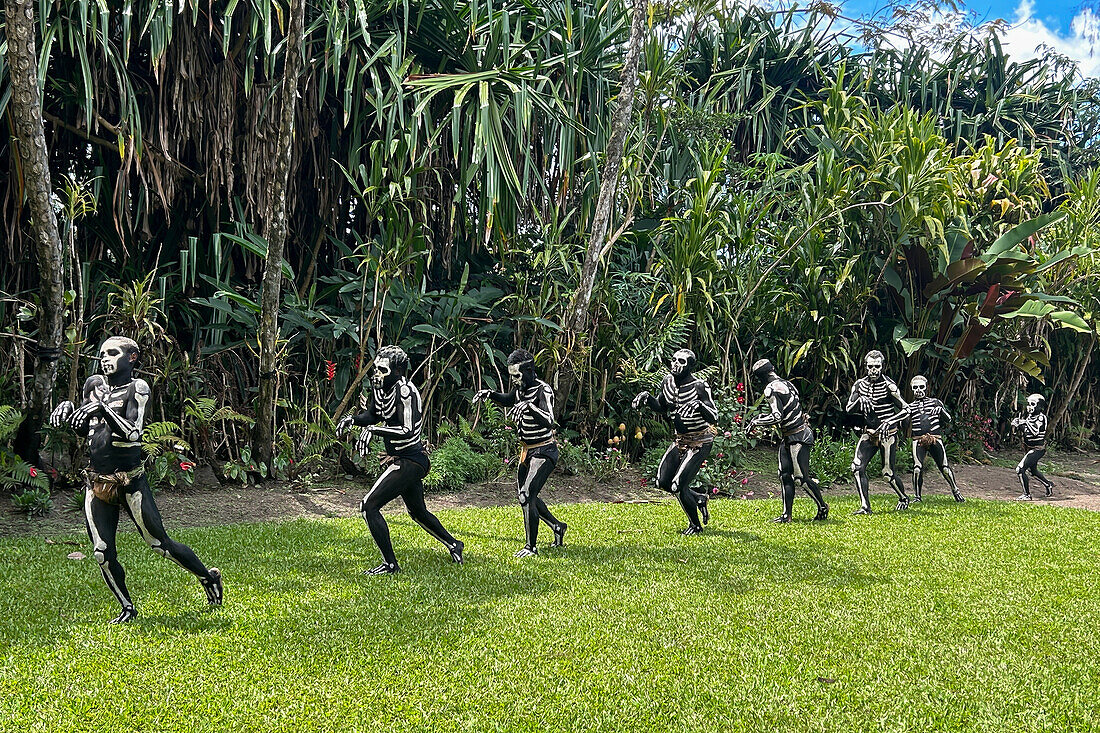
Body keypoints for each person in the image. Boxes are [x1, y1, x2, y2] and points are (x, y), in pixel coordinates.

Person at [49, 336, 222, 623]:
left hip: (130, 481)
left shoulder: (137, 388)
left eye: (113, 353)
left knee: (159, 544)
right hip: (97, 481)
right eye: (102, 353)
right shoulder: (94, 386)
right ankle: (127, 607)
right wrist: (67, 410)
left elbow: (133, 433)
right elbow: (86, 429)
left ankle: (208, 577)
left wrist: (104, 409)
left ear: (131, 358)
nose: (105, 358)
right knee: (102, 552)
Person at [337, 345, 464, 574]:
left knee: (369, 506)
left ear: (397, 372)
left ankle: (390, 564)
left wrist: (375, 431)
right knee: (417, 512)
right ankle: (454, 544)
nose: (377, 374)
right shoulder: (380, 388)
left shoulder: (406, 392)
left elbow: (408, 431)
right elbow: (373, 415)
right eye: (375, 369)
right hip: (400, 458)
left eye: (382, 370)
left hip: (412, 459)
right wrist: (354, 421)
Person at [473, 349, 566, 557]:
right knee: (526, 495)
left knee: (526, 495)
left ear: (530, 371)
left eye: (517, 375)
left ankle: (531, 547)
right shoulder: (521, 390)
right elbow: (508, 399)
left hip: (545, 449)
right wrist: (490, 394)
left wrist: (529, 407)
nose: (514, 380)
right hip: (527, 451)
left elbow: (549, 420)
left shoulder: (543, 390)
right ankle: (557, 526)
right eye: (511, 376)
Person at [632, 349, 717, 535]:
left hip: (700, 441)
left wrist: (699, 405)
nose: (676, 364)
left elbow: (714, 416)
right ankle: (699, 498)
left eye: (681, 361)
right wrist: (647, 398)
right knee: (662, 482)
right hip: (680, 440)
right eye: (674, 360)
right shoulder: (667, 382)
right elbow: (662, 407)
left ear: (690, 366)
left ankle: (695, 526)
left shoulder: (700, 386)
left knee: (678, 485)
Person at [746, 359, 829, 522]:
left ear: (759, 378)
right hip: (791, 436)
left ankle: (823, 506)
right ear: (773, 369)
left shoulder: (770, 389)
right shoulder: (787, 384)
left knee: (800, 478)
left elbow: (777, 416)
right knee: (784, 474)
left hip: (798, 436)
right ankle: (786, 515)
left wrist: (755, 422)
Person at [845, 350, 911, 514]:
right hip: (869, 433)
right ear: (866, 367)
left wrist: (889, 421)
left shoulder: (889, 386)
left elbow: (906, 409)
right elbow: (848, 409)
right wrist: (860, 400)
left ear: (882, 367)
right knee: (856, 467)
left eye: (877, 367)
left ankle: (903, 497)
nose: (873, 370)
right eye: (870, 367)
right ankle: (865, 506)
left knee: (887, 474)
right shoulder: (859, 385)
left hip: (887, 435)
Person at [882, 375, 964, 503]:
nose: (918, 390)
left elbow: (948, 419)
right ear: (912, 389)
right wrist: (904, 417)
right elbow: (905, 426)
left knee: (945, 468)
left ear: (926, 388)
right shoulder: (910, 407)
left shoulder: (935, 402)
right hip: (918, 439)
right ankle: (917, 496)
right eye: (915, 388)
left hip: (935, 438)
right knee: (917, 468)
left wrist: (941, 411)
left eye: (921, 387)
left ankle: (956, 490)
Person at [1011, 393, 1054, 500]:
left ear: (1040, 406)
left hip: (1037, 449)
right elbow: (1026, 431)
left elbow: (1035, 431)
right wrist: (1018, 425)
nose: (1030, 407)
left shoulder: (1041, 418)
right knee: (1033, 472)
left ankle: (1027, 495)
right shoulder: (1030, 417)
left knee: (1020, 469)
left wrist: (1024, 422)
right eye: (1029, 404)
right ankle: (1048, 484)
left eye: (1033, 404)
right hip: (1028, 447)